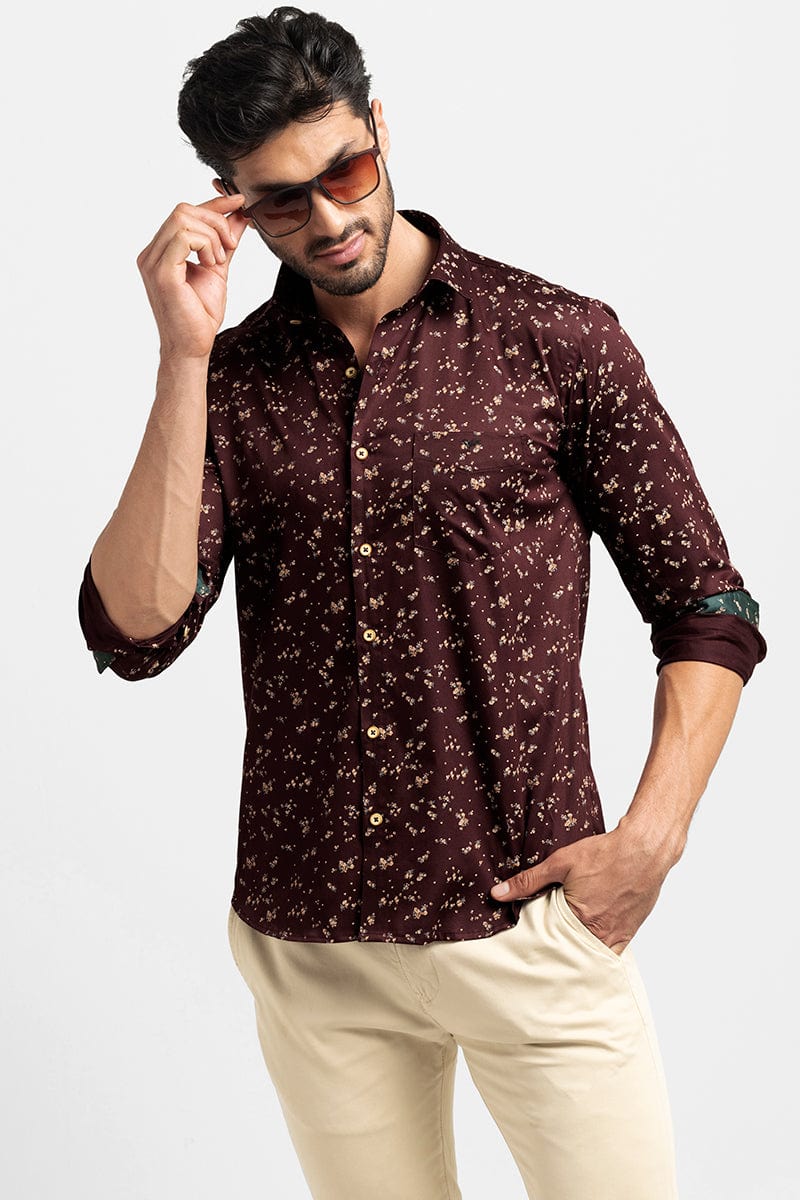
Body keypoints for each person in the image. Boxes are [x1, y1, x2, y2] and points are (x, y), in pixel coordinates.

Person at [77, 7, 766, 1198]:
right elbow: (135, 632)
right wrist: (183, 355)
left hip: (529, 920)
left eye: (344, 171)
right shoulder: (229, 384)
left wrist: (650, 840)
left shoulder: (555, 341)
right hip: (313, 943)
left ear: (380, 129)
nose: (328, 219)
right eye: (279, 200)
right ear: (231, 204)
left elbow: (707, 600)